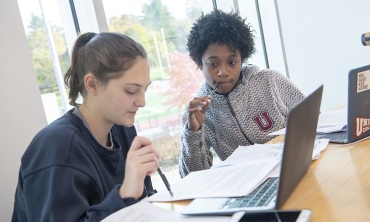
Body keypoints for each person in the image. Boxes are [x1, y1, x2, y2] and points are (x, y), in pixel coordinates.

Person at [12, 32, 160, 221]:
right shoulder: (56, 147)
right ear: (92, 85)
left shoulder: (122, 129)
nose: (142, 101)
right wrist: (125, 195)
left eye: (144, 89)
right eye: (131, 90)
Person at [179, 10, 305, 177]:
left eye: (232, 62)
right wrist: (193, 132)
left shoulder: (270, 81)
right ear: (200, 63)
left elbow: (312, 120)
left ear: (242, 59)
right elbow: (192, 176)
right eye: (213, 64)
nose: (223, 72)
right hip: (248, 186)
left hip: (294, 170)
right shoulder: (196, 114)